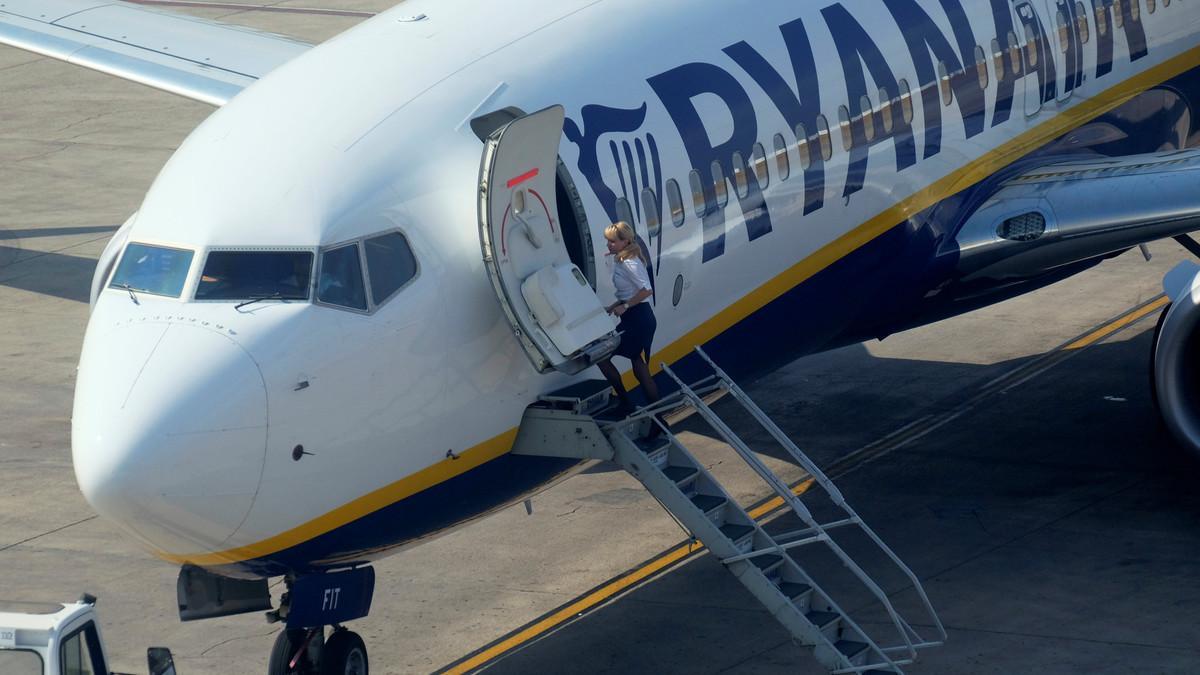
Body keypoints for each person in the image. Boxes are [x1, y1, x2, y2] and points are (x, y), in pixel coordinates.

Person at [596, 221, 663, 433]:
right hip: (637, 318)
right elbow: (630, 291)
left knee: (602, 357)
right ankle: (658, 419)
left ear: (625, 241)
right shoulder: (622, 259)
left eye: (613, 241)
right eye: (608, 240)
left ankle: (626, 402)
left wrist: (625, 306)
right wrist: (615, 305)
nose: (609, 245)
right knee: (639, 365)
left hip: (638, 319)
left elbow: (646, 290)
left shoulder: (629, 262)